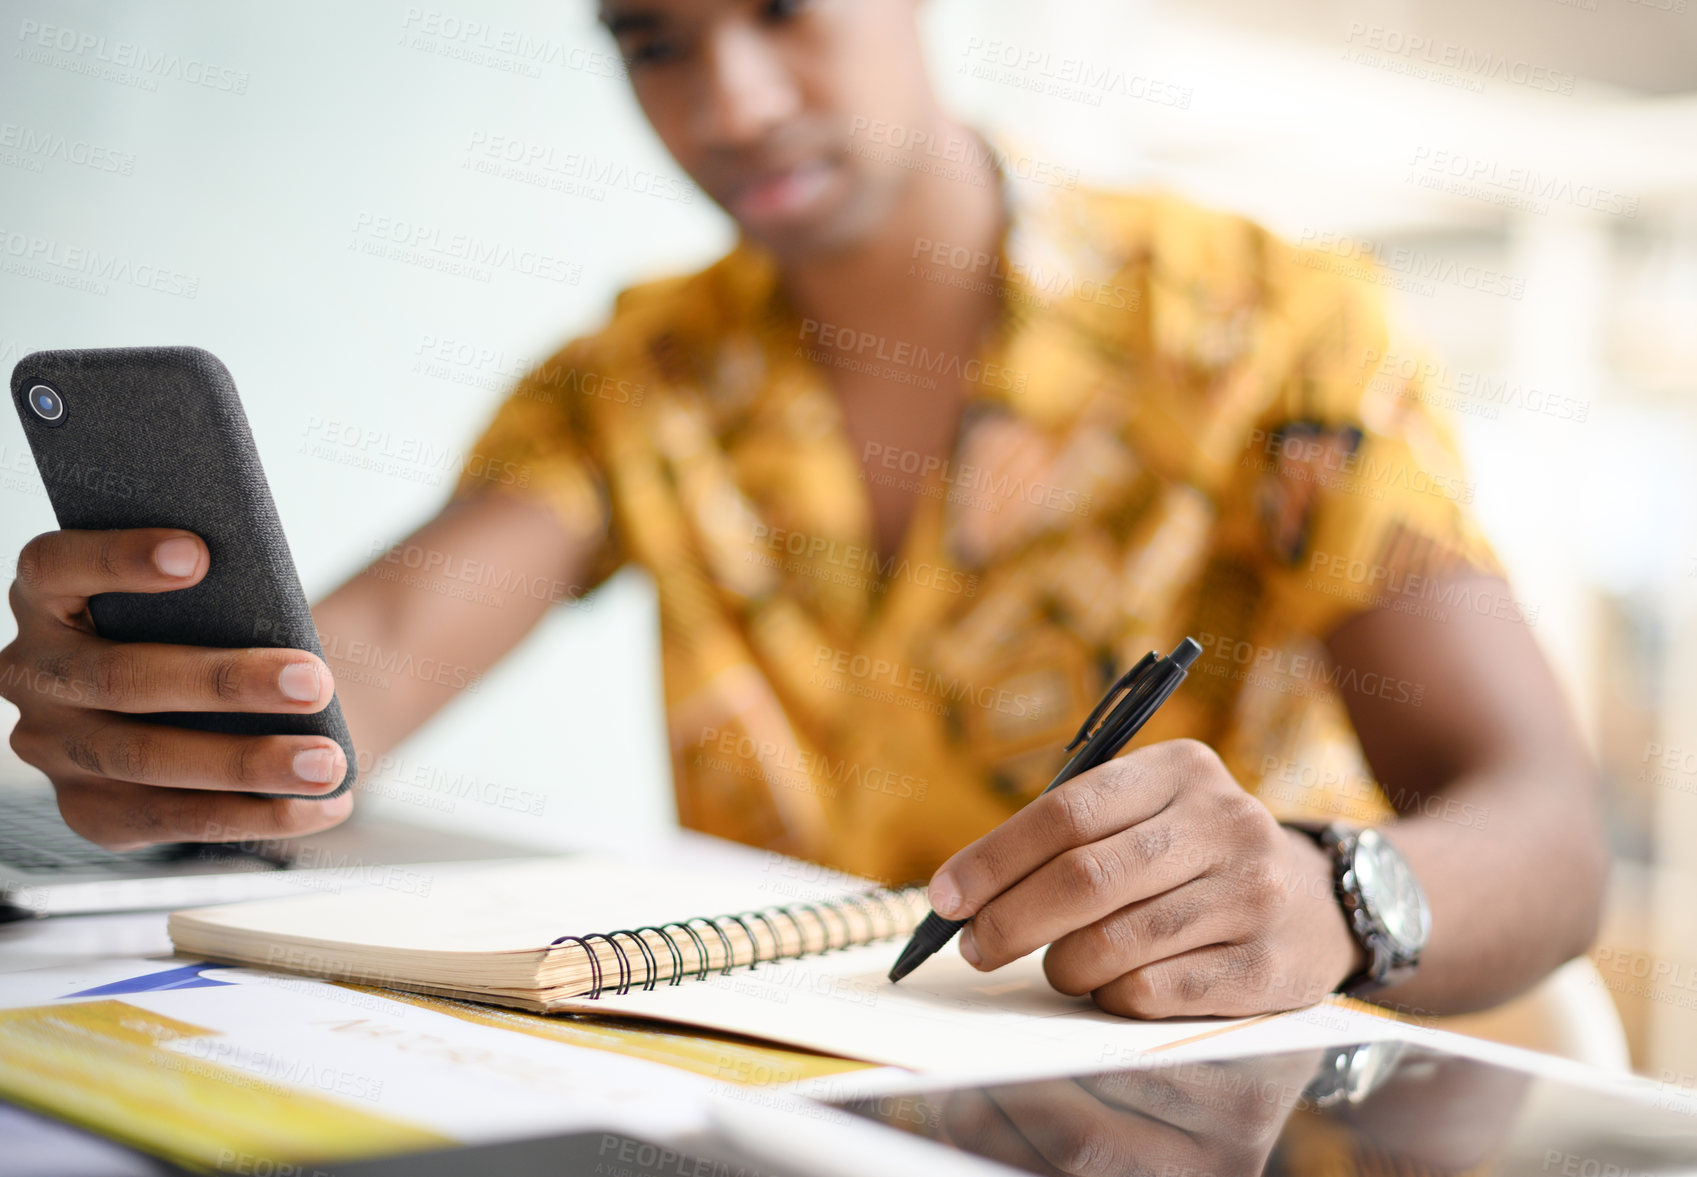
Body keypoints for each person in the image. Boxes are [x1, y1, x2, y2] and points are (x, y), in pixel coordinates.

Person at [0, 0, 1604, 1020]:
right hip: (789, 1106)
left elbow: (1544, 825)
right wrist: (193, 724)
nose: (734, 100)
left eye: (781, 7)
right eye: (654, 39)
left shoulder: (1275, 329)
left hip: (1216, 1114)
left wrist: (1332, 891)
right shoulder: (637, 378)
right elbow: (366, 666)